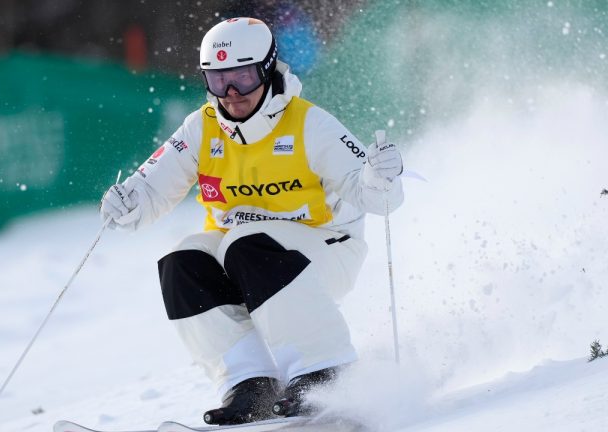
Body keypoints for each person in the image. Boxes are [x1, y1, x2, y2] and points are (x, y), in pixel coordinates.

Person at [99, 17, 404, 425]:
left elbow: (375, 197)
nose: (230, 93)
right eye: (217, 79)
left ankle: (325, 371)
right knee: (181, 262)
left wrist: (382, 176)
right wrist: (128, 203)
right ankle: (250, 384)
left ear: (267, 69)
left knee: (248, 243)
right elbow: (151, 191)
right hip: (244, 259)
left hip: (324, 252)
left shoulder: (308, 123)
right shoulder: (202, 128)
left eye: (242, 77)